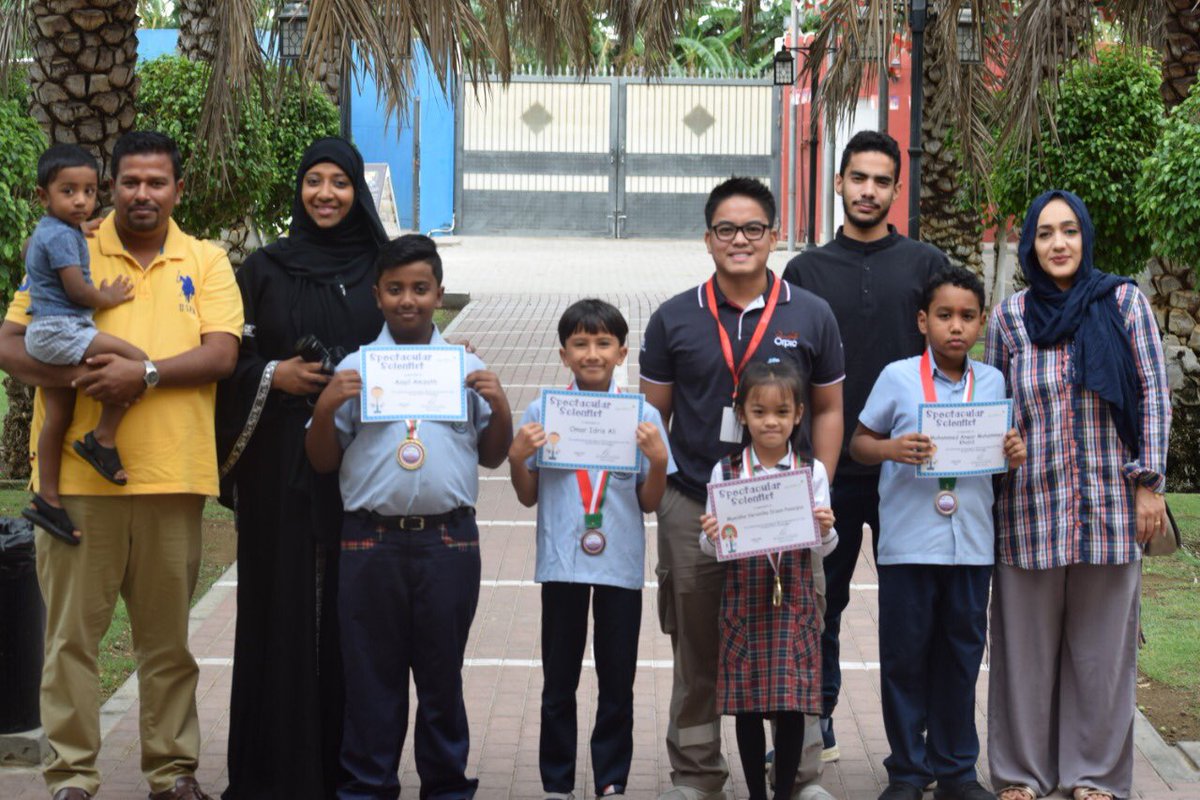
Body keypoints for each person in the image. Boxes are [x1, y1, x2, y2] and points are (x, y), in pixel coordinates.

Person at [0, 130, 243, 800]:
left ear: (177, 190)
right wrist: (84, 374)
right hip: (79, 486)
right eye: (129, 182)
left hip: (176, 477)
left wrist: (147, 374)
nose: (142, 194)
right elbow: (11, 344)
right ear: (110, 186)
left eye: (156, 182)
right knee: (72, 641)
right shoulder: (69, 244)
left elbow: (222, 355)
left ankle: (171, 773)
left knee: (167, 644)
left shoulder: (207, 259)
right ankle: (72, 778)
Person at [640, 176, 845, 800]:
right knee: (699, 647)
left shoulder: (810, 312)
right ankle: (699, 774)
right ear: (708, 239)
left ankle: (800, 776)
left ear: (774, 236)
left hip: (787, 508)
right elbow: (654, 420)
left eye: (753, 229)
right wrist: (663, 492)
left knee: (792, 647)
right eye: (726, 230)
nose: (739, 240)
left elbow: (829, 409)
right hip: (697, 508)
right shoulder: (675, 317)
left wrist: (818, 494)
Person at [305, 234, 513, 800]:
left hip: (449, 542)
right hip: (370, 544)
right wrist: (326, 406)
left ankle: (446, 787)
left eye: (420, 289)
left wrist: (501, 404)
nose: (407, 300)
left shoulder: (466, 366)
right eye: (395, 289)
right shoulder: (356, 367)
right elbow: (322, 460)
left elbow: (493, 455)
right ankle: (368, 787)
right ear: (376, 295)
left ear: (439, 295)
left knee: (442, 679)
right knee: (372, 680)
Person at [214, 137, 388, 799]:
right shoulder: (264, 268)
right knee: (281, 601)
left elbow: (410, 335)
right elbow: (227, 361)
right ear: (298, 189)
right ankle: (275, 767)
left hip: (365, 462)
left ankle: (351, 764)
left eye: (339, 183)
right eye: (313, 180)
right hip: (277, 462)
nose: (325, 194)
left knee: (353, 606)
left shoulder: (381, 265)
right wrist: (273, 375)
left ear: (356, 192)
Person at [984, 190, 1170, 800]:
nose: (1058, 243)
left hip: (1109, 508)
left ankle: (1092, 777)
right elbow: (993, 407)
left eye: (1068, 231)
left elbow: (1153, 394)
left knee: (1101, 656)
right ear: (1029, 246)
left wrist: (1149, 484)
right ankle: (1021, 776)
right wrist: (998, 445)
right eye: (1044, 233)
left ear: (1085, 236)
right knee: (1024, 657)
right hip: (1030, 511)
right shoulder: (1010, 318)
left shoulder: (1123, 303)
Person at [780, 130, 948, 761]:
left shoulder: (925, 266)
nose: (869, 191)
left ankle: (923, 739)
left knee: (918, 612)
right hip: (830, 472)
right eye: (859, 178)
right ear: (840, 184)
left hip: (911, 469)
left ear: (897, 190)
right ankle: (814, 725)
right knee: (820, 603)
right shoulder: (805, 271)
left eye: (881, 181)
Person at [849, 268, 1026, 800]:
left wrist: (1014, 453)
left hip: (971, 546)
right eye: (944, 315)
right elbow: (859, 442)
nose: (956, 327)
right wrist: (891, 449)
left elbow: (1000, 452)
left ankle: (955, 773)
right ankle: (907, 770)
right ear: (923, 320)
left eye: (967, 316)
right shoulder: (898, 376)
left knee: (961, 657)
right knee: (904, 658)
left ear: (981, 323)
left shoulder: (993, 382)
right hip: (908, 544)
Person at [508, 298, 675, 799]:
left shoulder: (642, 417)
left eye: (603, 343)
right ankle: (557, 783)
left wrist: (660, 462)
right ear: (564, 355)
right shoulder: (544, 412)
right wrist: (518, 458)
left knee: (616, 681)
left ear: (623, 352)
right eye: (580, 343)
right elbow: (527, 494)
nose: (592, 353)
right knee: (558, 682)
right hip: (561, 563)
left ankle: (611, 781)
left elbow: (649, 502)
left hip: (619, 566)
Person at [698, 362, 838, 800]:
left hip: (793, 598)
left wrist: (827, 528)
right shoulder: (727, 471)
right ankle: (756, 794)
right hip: (744, 598)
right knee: (747, 703)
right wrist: (712, 535)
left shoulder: (810, 471)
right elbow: (711, 548)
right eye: (759, 412)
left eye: (781, 411)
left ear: (798, 414)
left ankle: (783, 792)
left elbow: (824, 548)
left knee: (791, 702)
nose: (770, 421)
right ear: (742, 414)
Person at [20, 143, 148, 544]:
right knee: (136, 363)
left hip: (46, 329)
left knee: (57, 416)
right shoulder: (59, 236)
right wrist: (106, 296)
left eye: (89, 192)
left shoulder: (61, 229)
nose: (81, 201)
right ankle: (102, 439)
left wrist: (83, 228)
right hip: (62, 327)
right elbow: (76, 289)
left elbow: (57, 238)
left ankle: (48, 498)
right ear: (43, 196)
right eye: (69, 191)